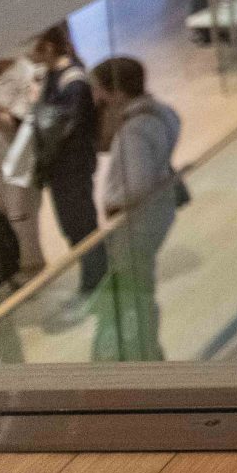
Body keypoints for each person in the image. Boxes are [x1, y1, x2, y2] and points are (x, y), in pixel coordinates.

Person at [87, 56, 178, 362]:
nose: (96, 96)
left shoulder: (134, 131)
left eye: (99, 89)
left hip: (137, 225)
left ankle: (144, 351)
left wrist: (113, 202)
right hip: (157, 214)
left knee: (135, 292)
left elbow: (136, 185)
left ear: (116, 92)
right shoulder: (160, 112)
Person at [25, 25, 101, 312]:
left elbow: (61, 125)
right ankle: (93, 278)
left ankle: (96, 282)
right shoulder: (52, 75)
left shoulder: (73, 80)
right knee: (71, 227)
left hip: (73, 167)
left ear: (47, 47)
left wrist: (35, 105)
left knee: (82, 226)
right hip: (60, 169)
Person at [0, 49, 44, 283]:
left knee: (22, 221)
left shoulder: (25, 74)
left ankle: (35, 271)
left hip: (18, 163)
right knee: (5, 215)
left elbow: (15, 121)